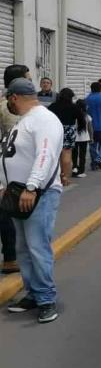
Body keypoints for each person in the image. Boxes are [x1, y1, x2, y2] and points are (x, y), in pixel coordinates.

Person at [3, 78, 64, 324]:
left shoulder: (44, 119)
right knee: (24, 248)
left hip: (37, 194)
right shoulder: (25, 122)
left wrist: (32, 186)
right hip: (18, 194)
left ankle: (47, 299)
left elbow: (45, 155)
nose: (7, 102)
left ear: (14, 97)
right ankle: (33, 293)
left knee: (38, 247)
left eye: (8, 98)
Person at [0, 65, 31, 275]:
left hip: (17, 169)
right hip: (10, 171)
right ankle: (11, 257)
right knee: (8, 212)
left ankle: (13, 256)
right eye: (28, 78)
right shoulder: (8, 107)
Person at [48, 88, 85, 185]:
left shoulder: (53, 106)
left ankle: (56, 176)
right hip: (69, 131)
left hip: (55, 130)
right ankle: (65, 177)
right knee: (67, 155)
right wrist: (78, 129)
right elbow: (81, 120)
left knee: (55, 155)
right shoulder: (74, 107)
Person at [72, 99, 92, 179]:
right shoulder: (87, 116)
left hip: (74, 137)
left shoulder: (73, 115)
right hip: (84, 138)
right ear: (85, 107)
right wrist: (91, 137)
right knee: (82, 155)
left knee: (74, 155)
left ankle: (74, 168)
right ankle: (81, 171)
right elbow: (90, 128)